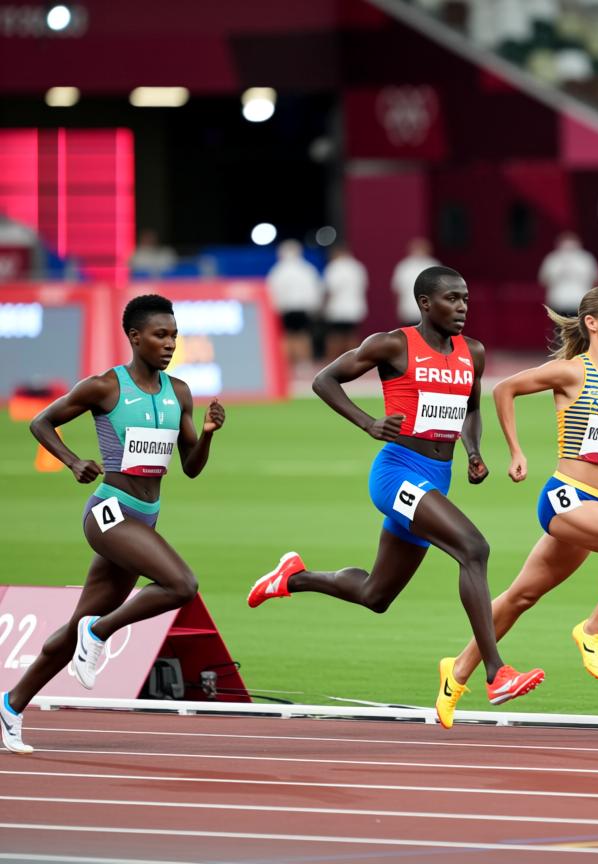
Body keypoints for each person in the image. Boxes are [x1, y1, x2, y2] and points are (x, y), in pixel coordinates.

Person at [247, 266, 543, 708]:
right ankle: (496, 672)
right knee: (473, 548)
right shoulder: (394, 344)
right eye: (451, 299)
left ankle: (294, 577)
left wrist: (474, 452)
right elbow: (323, 380)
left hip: (436, 477)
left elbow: (470, 409)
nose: (462, 307)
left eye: (465, 299)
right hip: (397, 473)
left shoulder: (473, 353)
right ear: (425, 304)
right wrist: (368, 423)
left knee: (376, 595)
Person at [435, 285, 598, 729]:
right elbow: (504, 390)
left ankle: (458, 671)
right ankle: (593, 629)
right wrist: (516, 451)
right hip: (566, 499)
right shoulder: (571, 372)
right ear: (592, 323)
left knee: (521, 596)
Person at [1, 294, 226, 754]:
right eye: (161, 335)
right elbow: (41, 422)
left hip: (146, 515)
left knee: (76, 624)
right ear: (135, 337)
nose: (169, 344)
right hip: (110, 512)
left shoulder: (178, 392)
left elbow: (191, 468)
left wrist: (205, 435)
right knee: (182, 584)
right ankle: (99, 633)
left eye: (174, 336)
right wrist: (70, 461)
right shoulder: (105, 386)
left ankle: (10, 704)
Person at [267, 239, 324, 374]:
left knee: (288, 336)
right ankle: (303, 364)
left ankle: (287, 364)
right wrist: (315, 307)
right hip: (303, 308)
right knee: (303, 335)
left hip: (286, 308)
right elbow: (315, 289)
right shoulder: (307, 269)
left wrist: (274, 308)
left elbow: (273, 291)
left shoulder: (279, 270)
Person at [322, 244, 369, 362]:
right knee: (352, 335)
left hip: (337, 308)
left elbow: (329, 289)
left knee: (335, 336)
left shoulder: (334, 267)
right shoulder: (357, 267)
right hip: (354, 307)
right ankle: (354, 361)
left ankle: (333, 361)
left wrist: (323, 305)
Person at [538, 231, 598, 318]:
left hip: (580, 302)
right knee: (559, 329)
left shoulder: (586, 258)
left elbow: (595, 279)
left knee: (579, 329)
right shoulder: (552, 258)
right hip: (558, 302)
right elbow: (543, 279)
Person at [391, 238, 439, 325]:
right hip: (409, 310)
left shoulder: (433, 265)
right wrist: (399, 309)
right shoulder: (404, 266)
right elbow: (398, 290)